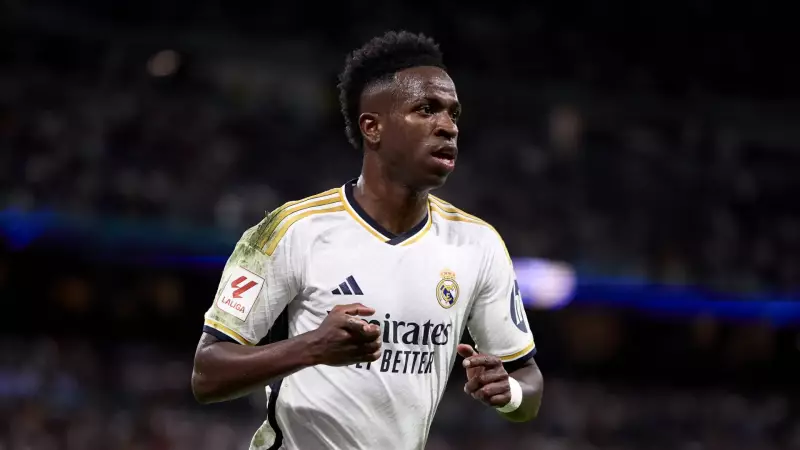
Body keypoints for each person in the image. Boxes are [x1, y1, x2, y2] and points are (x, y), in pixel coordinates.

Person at [191, 30, 543, 450]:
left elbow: (528, 381)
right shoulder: (291, 230)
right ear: (372, 127)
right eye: (426, 109)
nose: (448, 127)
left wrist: (510, 393)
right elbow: (206, 374)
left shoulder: (478, 245)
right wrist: (313, 347)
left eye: (453, 113)